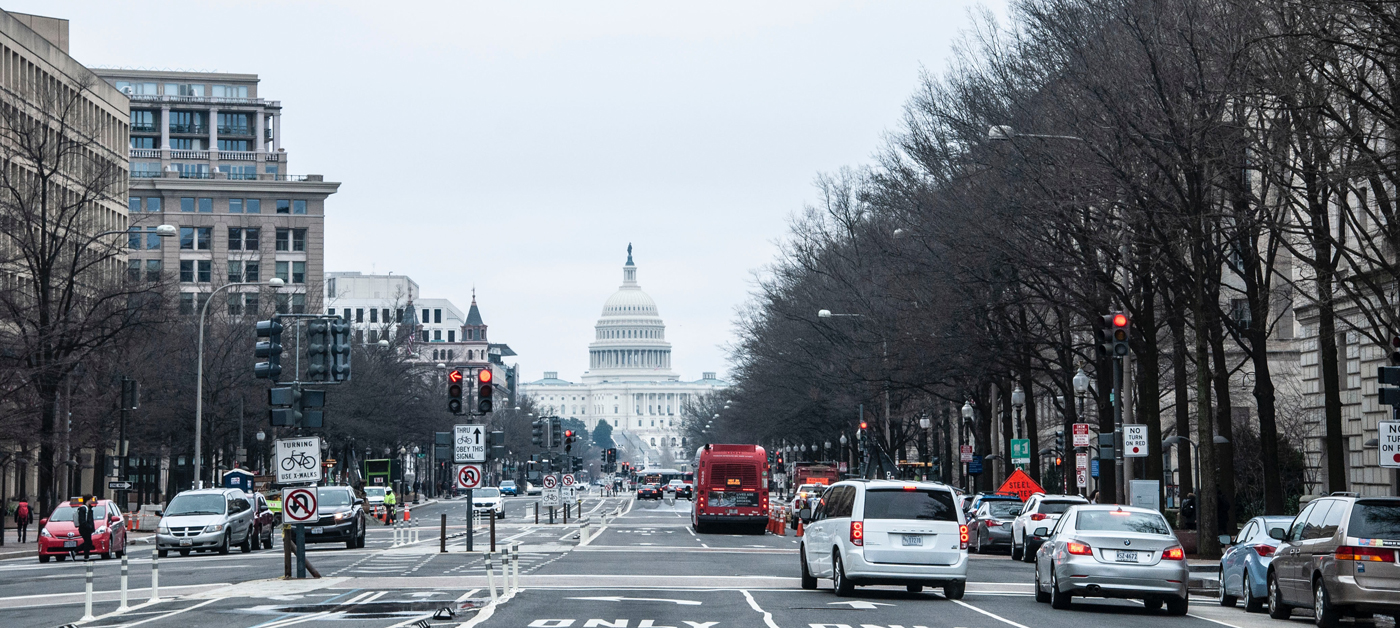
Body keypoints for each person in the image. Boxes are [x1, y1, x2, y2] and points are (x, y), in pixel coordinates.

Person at [74, 495, 97, 559]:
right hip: (84, 528)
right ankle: (84, 556)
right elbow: (82, 520)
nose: (92, 501)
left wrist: (91, 528)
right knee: (88, 542)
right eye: (91, 499)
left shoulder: (89, 508)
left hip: (87, 528)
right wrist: (88, 526)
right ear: (88, 500)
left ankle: (77, 553)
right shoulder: (83, 508)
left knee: (88, 542)